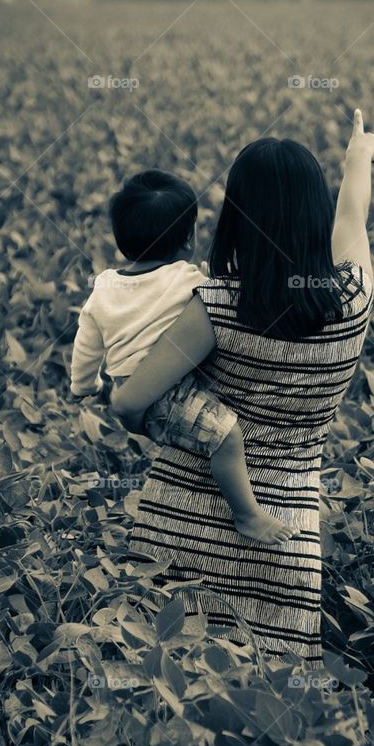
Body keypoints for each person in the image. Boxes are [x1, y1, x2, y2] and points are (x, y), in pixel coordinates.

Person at [111, 109, 374, 667]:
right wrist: (359, 157)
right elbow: (352, 219)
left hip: (176, 537)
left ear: (234, 216)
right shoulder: (353, 303)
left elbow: (131, 401)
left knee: (162, 706)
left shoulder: (214, 306)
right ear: (314, 213)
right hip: (284, 539)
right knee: (275, 715)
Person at [70, 169, 294, 544]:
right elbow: (217, 302)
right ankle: (247, 514)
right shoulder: (186, 280)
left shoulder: (105, 287)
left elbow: (86, 344)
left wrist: (85, 384)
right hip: (166, 394)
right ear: (188, 239)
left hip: (129, 384)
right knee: (227, 436)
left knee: (205, 433)